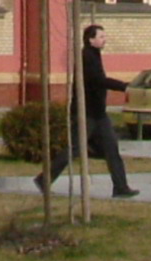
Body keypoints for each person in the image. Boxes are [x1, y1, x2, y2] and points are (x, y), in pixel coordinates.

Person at [35, 23, 137, 197]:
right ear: (91, 40)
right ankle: (44, 179)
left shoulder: (94, 55)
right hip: (86, 113)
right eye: (101, 37)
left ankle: (120, 187)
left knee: (112, 149)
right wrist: (123, 86)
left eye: (104, 36)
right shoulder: (86, 57)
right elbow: (98, 80)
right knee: (74, 149)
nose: (105, 40)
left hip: (99, 114)